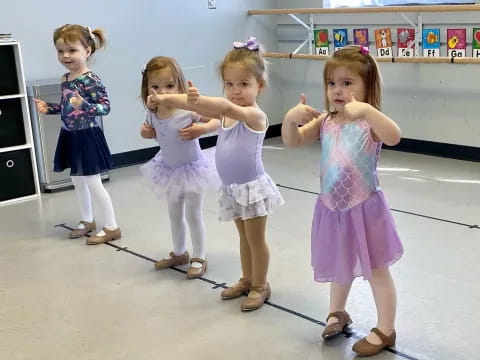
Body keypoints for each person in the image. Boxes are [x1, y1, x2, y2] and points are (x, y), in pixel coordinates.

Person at [282, 45, 403, 357]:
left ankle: (386, 329)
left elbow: (394, 136)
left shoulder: (369, 123)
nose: (338, 90)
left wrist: (368, 111)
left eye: (347, 83)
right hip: (333, 209)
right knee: (339, 264)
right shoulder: (325, 121)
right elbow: (293, 142)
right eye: (332, 83)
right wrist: (289, 120)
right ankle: (337, 311)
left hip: (366, 209)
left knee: (377, 269)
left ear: (367, 86)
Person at [148, 37, 284, 311]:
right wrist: (187, 110)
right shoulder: (228, 115)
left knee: (256, 240)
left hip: (252, 188)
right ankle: (247, 279)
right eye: (229, 84)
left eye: (243, 84)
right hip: (232, 188)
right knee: (243, 238)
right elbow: (210, 113)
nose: (235, 91)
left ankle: (261, 285)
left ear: (260, 86)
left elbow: (221, 107)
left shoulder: (255, 116)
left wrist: (168, 97)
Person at [34, 24, 121, 245]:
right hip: (69, 135)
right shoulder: (65, 78)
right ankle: (87, 220)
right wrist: (50, 107)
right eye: (60, 51)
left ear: (87, 51)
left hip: (87, 135)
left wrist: (83, 104)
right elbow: (67, 107)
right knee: (77, 178)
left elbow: (105, 108)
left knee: (93, 181)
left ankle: (112, 226)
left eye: (72, 50)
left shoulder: (91, 79)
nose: (65, 56)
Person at [139, 56, 218, 278]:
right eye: (155, 86)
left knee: (193, 214)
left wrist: (201, 130)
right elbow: (148, 130)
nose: (163, 92)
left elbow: (217, 119)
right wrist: (145, 132)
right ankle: (180, 252)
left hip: (193, 169)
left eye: (169, 86)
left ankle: (199, 256)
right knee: (174, 214)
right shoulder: (153, 113)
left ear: (179, 86)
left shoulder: (187, 111)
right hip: (168, 170)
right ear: (147, 88)